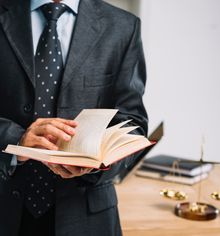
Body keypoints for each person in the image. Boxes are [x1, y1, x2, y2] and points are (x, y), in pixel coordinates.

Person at [0, 0, 148, 235]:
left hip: (87, 216)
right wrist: (16, 140)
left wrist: (96, 163)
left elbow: (133, 123)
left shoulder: (123, 26)